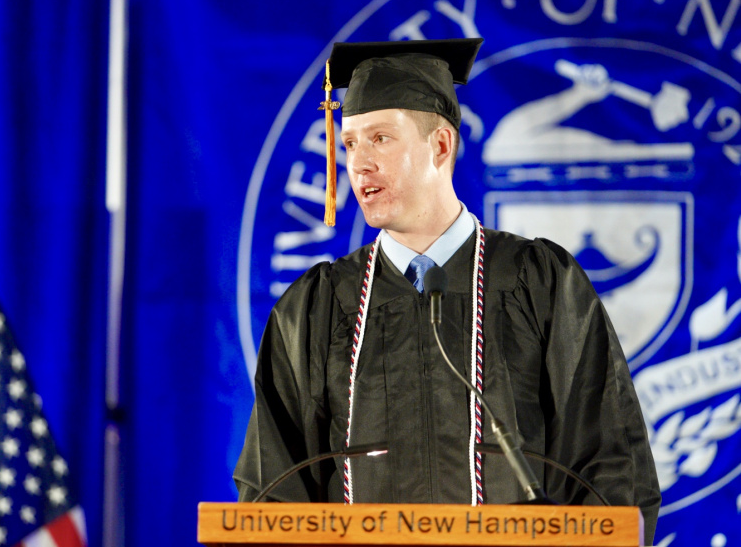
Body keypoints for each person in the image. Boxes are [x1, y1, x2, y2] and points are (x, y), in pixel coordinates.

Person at [233, 39, 661, 544]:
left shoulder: (540, 282)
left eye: (380, 138)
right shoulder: (317, 307)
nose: (359, 163)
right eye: (350, 143)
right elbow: (273, 492)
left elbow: (608, 468)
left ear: (441, 145)